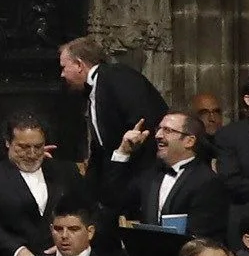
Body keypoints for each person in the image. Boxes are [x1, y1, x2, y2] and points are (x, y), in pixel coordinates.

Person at [0, 117, 76, 256]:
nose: (32, 154)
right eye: (24, 147)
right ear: (8, 143)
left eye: (38, 147)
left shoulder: (65, 172)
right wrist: (17, 250)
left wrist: (70, 243)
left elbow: (86, 211)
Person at [63, 37, 170, 194]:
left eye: (64, 67)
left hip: (141, 180)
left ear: (79, 65)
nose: (62, 74)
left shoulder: (117, 76)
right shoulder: (99, 85)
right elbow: (101, 146)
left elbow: (142, 125)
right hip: (117, 179)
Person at [115, 110, 228, 232]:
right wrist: (123, 152)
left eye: (167, 130)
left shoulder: (207, 181)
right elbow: (115, 199)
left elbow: (201, 235)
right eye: (158, 129)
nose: (158, 135)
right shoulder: (150, 174)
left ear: (189, 141)